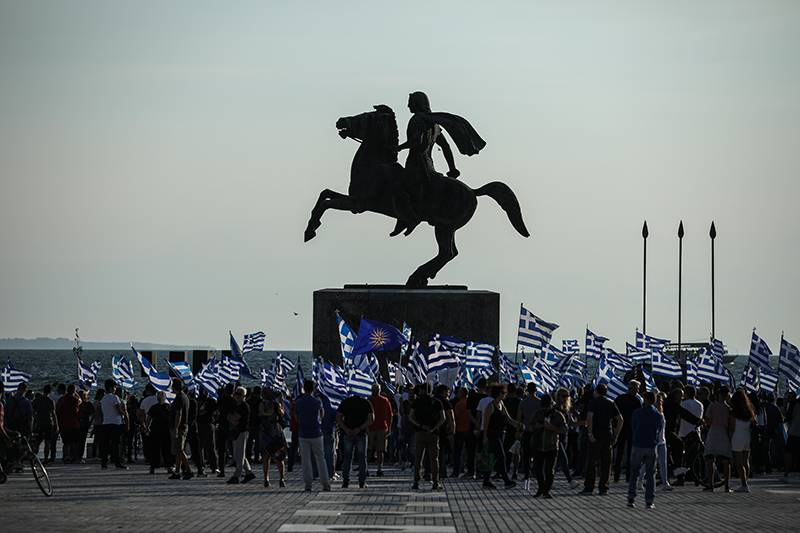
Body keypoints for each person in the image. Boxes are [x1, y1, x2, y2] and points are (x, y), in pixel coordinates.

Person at [390, 91, 484, 236]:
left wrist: (397, 148)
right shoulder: (434, 124)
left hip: (416, 166)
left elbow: (416, 142)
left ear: (417, 103)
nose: (408, 105)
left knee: (396, 186)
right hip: (429, 166)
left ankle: (409, 218)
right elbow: (445, 147)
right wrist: (452, 168)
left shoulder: (417, 120)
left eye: (410, 102)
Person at [580, 384, 623, 496]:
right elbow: (620, 420)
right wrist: (616, 435)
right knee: (606, 463)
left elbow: (590, 417)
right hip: (607, 435)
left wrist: (590, 433)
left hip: (596, 435)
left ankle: (589, 487)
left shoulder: (593, 403)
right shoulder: (611, 403)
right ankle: (604, 487)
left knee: (591, 462)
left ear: (596, 392)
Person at [481, 384, 522, 489]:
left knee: (492, 457)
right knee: (501, 456)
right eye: (504, 393)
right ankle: (506, 481)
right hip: (492, 434)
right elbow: (485, 423)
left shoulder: (501, 404)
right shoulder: (490, 406)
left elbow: (508, 419)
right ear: (499, 393)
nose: (505, 394)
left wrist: (518, 424)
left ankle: (486, 481)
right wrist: (485, 437)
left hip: (500, 434)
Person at [627, 391, 664, 509]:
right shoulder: (658, 415)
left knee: (634, 473)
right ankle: (649, 500)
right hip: (651, 446)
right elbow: (659, 429)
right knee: (650, 475)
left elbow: (633, 426)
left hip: (638, 444)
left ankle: (631, 498)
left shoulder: (637, 413)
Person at [295, 379, 331, 492]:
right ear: (313, 389)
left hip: (304, 433)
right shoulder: (317, 401)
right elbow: (322, 414)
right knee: (321, 458)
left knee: (305, 460)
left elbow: (296, 417)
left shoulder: (299, 402)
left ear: (304, 388)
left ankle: (308, 484)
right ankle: (325, 483)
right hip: (316, 432)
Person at [409, 383, 444, 490]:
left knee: (418, 458)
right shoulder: (437, 402)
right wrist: (434, 428)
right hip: (433, 433)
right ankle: (435, 481)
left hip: (420, 432)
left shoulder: (417, 402)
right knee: (434, 459)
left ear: (422, 390)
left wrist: (420, 425)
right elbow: (443, 418)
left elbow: (411, 417)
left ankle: (416, 481)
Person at [337, 392, 375, 489]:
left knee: (347, 458)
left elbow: (338, 417)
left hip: (348, 433)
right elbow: (371, 419)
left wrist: (346, 429)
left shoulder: (346, 402)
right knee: (362, 458)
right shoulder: (365, 402)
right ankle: (362, 482)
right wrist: (360, 428)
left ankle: (346, 481)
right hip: (361, 433)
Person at [532, 394, 566, 498]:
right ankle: (541, 488)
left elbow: (564, 429)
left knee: (549, 470)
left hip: (551, 445)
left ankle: (546, 490)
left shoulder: (557, 415)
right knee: (538, 469)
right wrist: (538, 426)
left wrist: (552, 428)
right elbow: (531, 425)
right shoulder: (538, 413)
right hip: (538, 444)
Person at [703, 386, 733, 492]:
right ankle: (727, 486)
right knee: (726, 460)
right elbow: (730, 424)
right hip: (724, 433)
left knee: (710, 459)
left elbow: (707, 419)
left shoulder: (712, 406)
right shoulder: (728, 408)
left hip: (713, 432)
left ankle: (710, 484)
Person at [614, 380, 643, 482]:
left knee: (619, 453)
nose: (637, 391)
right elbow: (639, 417)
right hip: (631, 429)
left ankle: (616, 476)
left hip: (621, 428)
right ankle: (628, 476)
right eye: (637, 389)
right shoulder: (636, 401)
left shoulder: (620, 398)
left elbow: (614, 414)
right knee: (630, 453)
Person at [258, 388, 288, 487]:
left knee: (267, 457)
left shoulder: (263, 404)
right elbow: (282, 414)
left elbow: (261, 414)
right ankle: (281, 479)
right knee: (278, 457)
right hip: (275, 432)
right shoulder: (274, 404)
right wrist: (280, 403)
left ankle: (267, 479)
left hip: (267, 432)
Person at [226, 386, 255, 484]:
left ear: (244, 396)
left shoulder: (244, 406)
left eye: (239, 394)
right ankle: (249, 473)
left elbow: (236, 419)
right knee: (239, 453)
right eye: (236, 393)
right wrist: (233, 419)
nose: (236, 396)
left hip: (242, 431)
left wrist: (233, 419)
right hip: (236, 432)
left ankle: (236, 475)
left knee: (240, 455)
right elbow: (229, 417)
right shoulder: (235, 405)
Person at [730, 388, 756, 492]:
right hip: (746, 437)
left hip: (737, 437)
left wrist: (729, 438)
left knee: (739, 463)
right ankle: (745, 482)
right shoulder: (749, 412)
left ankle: (743, 483)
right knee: (746, 461)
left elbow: (732, 427)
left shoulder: (734, 412)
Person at [99, 379, 128, 470]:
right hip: (115, 423)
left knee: (106, 444)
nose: (115, 389)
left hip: (105, 423)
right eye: (115, 387)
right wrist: (124, 412)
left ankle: (104, 464)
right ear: (111, 387)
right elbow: (119, 410)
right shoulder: (114, 397)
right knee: (116, 444)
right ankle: (117, 463)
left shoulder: (103, 398)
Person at [554, 388, 579, 489]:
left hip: (565, 437)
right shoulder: (555, 408)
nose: (566, 398)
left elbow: (571, 423)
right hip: (556, 437)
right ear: (558, 397)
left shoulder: (566, 409)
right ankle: (570, 480)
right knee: (564, 460)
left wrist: (582, 421)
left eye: (567, 396)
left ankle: (548, 480)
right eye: (563, 396)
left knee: (557, 462)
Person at [516, 382, 541, 481]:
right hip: (537, 431)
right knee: (537, 453)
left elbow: (519, 418)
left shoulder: (523, 402)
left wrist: (518, 430)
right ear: (535, 390)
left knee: (526, 454)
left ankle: (527, 474)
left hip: (526, 430)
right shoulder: (539, 402)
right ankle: (536, 472)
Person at [368, 384, 394, 477]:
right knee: (379, 450)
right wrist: (389, 427)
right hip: (380, 427)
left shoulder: (369, 400)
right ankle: (379, 469)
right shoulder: (384, 400)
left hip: (373, 427)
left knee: (370, 449)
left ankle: (368, 468)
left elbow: (390, 414)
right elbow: (390, 415)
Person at [168, 379, 192, 480]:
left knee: (179, 449)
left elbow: (179, 413)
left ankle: (189, 470)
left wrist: (176, 428)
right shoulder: (185, 397)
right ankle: (177, 471)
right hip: (184, 426)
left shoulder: (179, 398)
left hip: (180, 427)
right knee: (178, 451)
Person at [55, 384, 80, 462]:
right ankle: (74, 457)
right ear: (74, 391)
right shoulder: (75, 400)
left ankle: (66, 457)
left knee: (66, 442)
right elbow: (79, 405)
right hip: (73, 423)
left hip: (63, 423)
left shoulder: (61, 399)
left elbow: (57, 411)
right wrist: (77, 394)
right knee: (74, 442)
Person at [196, 388, 218, 474]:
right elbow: (215, 412)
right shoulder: (211, 401)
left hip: (203, 424)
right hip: (208, 424)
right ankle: (213, 466)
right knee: (210, 447)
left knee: (202, 447)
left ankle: (202, 465)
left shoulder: (198, 400)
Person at [452, 387, 472, 478]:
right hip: (469, 430)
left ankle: (456, 471)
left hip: (460, 430)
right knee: (469, 451)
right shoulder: (470, 403)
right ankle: (470, 470)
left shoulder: (459, 404)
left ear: (462, 394)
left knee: (458, 452)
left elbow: (455, 417)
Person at [76, 389, 94, 463]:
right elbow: (93, 414)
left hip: (79, 424)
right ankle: (79, 457)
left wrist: (90, 422)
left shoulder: (78, 403)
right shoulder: (87, 404)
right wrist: (90, 422)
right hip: (83, 424)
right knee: (81, 442)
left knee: (78, 442)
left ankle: (77, 457)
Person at [785, 392, 800, 476]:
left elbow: (786, 417)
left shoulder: (793, 404)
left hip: (794, 432)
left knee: (788, 452)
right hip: (796, 431)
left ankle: (786, 471)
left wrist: (785, 403)